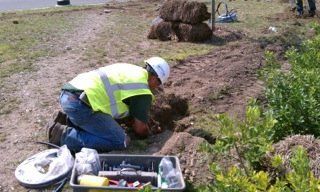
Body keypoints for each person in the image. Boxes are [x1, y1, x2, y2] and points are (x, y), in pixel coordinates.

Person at [48, 57, 170, 152]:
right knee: (120, 141)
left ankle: (68, 120)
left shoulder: (130, 69)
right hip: (80, 105)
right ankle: (63, 136)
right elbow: (140, 129)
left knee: (105, 126)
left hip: (68, 94)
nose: (156, 88)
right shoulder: (142, 90)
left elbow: (116, 101)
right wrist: (147, 134)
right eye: (158, 84)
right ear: (155, 79)